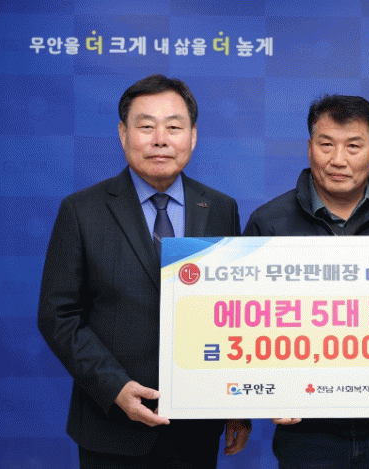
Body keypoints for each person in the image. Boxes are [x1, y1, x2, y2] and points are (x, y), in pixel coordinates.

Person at [38, 74, 251, 468]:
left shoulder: (221, 208)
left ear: (193, 136)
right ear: (123, 134)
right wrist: (114, 387)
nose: (160, 140)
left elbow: (232, 312)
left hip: (196, 428)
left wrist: (236, 405)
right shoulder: (81, 210)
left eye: (174, 127)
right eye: (146, 126)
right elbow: (58, 316)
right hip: (110, 427)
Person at [244, 94, 369, 468]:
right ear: (309, 147)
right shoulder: (269, 223)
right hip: (305, 433)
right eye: (326, 145)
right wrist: (266, 396)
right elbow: (245, 321)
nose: (339, 160)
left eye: (353, 146)